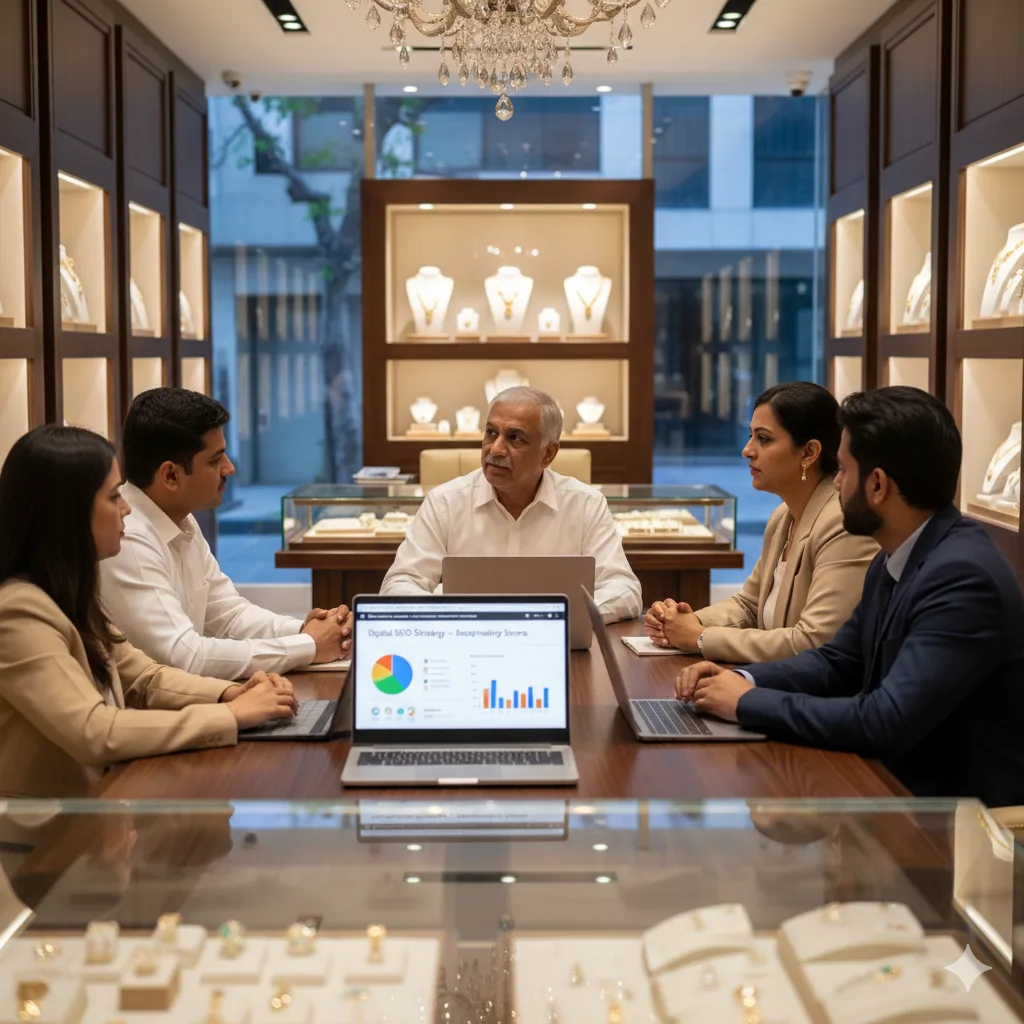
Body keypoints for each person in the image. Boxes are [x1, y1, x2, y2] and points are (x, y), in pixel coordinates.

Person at [677, 387, 1024, 806]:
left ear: (877, 485)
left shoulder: (963, 578)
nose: (836, 482)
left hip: (958, 819)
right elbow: (837, 660)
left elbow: (886, 720)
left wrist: (748, 702)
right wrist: (741, 679)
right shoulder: (897, 554)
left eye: (842, 470)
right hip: (893, 791)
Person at [0, 426, 298, 799]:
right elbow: (96, 731)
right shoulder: (18, 611)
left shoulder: (69, 592)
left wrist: (232, 693)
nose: (126, 508)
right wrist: (231, 716)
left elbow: (144, 677)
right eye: (113, 497)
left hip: (105, 808)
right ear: (67, 514)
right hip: (50, 830)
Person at [100, 389, 351, 680]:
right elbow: (185, 657)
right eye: (215, 460)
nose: (229, 468)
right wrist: (309, 645)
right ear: (170, 475)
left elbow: (228, 614)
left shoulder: (181, 518)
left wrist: (304, 630)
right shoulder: (128, 538)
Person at [645, 382, 877, 662]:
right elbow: (749, 606)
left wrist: (699, 636)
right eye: (751, 436)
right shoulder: (783, 516)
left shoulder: (843, 524)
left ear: (809, 452)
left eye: (763, 439)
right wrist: (681, 621)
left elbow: (814, 642)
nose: (747, 450)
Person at [380, 386, 642, 622]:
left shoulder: (585, 504)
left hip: (558, 649)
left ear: (548, 454)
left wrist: (558, 616)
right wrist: (453, 611)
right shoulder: (445, 502)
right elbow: (399, 584)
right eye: (491, 433)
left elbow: (624, 589)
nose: (495, 449)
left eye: (515, 437)